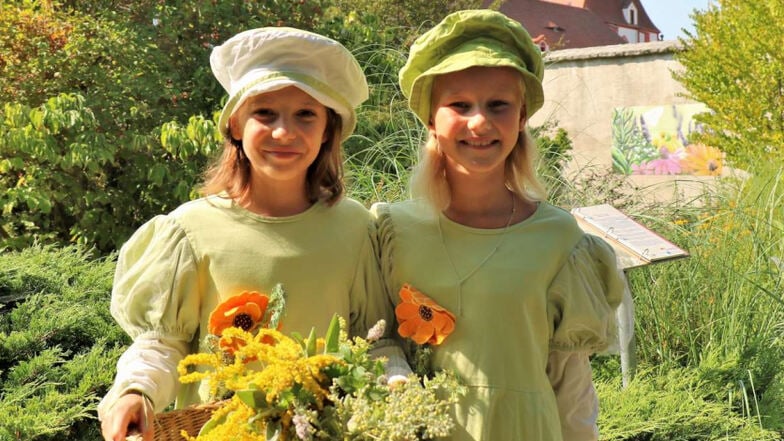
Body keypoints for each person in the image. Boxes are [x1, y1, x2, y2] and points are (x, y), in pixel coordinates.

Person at [98, 27, 394, 441]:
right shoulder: (190, 231)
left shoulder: (356, 229)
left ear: (329, 128)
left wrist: (398, 393)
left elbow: (376, 344)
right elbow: (164, 344)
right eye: (265, 113)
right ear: (235, 125)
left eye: (306, 114)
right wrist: (137, 391)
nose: (284, 132)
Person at [372, 10, 625, 441]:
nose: (480, 123)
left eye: (498, 105)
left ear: (521, 117)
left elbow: (571, 386)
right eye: (459, 105)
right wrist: (397, 382)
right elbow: (372, 338)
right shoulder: (391, 231)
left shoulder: (559, 238)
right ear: (431, 118)